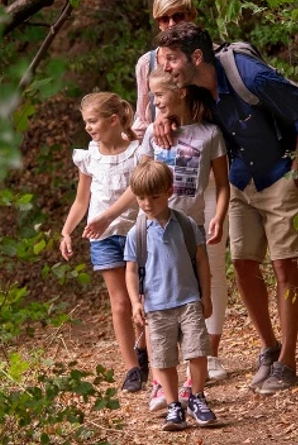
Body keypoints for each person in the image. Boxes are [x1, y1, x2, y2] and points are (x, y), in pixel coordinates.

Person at [152, 22, 298, 395]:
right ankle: (270, 348)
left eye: (172, 60)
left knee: (284, 265)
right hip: (242, 178)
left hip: (281, 172)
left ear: (197, 57)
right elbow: (177, 103)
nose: (166, 67)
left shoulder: (249, 74)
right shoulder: (195, 86)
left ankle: (288, 362)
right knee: (244, 264)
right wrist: (165, 116)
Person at [84, 70, 230, 410]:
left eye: (159, 96)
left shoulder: (209, 134)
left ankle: (193, 386)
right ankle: (160, 385)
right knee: (154, 305)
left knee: (191, 304)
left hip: (189, 229)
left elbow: (222, 184)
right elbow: (138, 185)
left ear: (182, 91)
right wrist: (107, 216)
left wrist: (219, 217)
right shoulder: (152, 133)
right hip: (150, 230)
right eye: (151, 96)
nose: (153, 103)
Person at [131, 0, 234, 386]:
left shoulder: (207, 54)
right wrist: (160, 119)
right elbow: (143, 115)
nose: (171, 23)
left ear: (193, 14)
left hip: (205, 159)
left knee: (211, 260)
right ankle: (168, 359)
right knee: (166, 262)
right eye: (164, 18)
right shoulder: (148, 62)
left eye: (179, 16)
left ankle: (210, 352)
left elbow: (218, 104)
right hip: (165, 168)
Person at [59, 92, 148, 393]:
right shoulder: (89, 157)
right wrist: (66, 231)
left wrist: (107, 217)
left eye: (93, 121)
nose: (88, 127)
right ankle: (132, 368)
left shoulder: (137, 153)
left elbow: (136, 190)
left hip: (137, 233)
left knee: (142, 298)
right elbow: (81, 200)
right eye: (85, 122)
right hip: (104, 237)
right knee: (120, 302)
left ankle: (144, 349)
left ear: (112, 120)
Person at [123, 160, 218, 431]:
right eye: (141, 198)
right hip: (156, 307)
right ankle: (174, 405)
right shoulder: (137, 233)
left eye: (154, 197)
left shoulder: (186, 225)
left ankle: (197, 397)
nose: (147, 204)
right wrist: (135, 302)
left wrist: (206, 296)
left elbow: (202, 261)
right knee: (163, 359)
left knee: (197, 351)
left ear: (168, 191)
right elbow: (131, 271)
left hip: (189, 301)